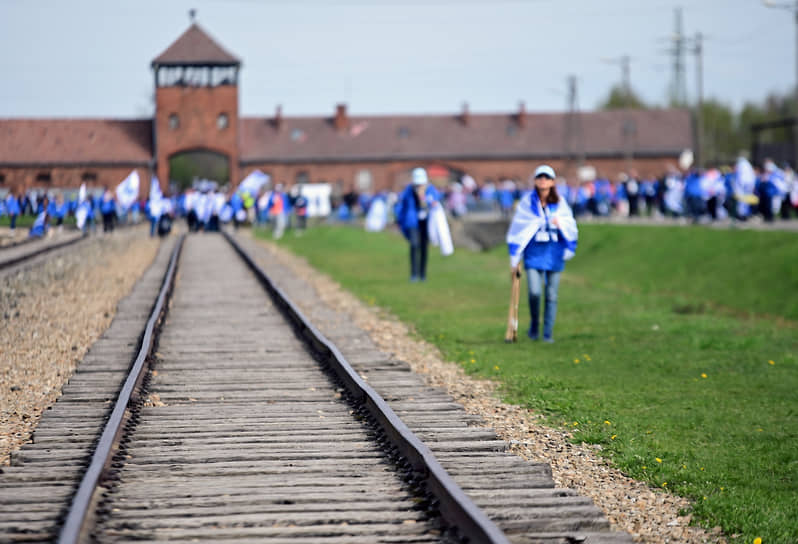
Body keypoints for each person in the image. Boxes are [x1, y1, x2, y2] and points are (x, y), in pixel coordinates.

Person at [506, 165, 578, 343]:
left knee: (552, 294)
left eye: (547, 177)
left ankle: (547, 333)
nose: (543, 180)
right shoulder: (527, 203)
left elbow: (570, 224)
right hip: (534, 253)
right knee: (535, 292)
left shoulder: (560, 203)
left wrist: (559, 222)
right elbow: (519, 227)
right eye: (540, 177)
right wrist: (515, 258)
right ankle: (534, 325)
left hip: (554, 252)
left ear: (553, 181)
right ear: (535, 180)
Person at [396, 167, 441, 282]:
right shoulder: (408, 190)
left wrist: (426, 199)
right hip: (413, 222)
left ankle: (423, 274)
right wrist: (399, 219)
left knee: (424, 248)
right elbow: (402, 205)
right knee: (414, 245)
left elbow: (435, 201)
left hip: (426, 222)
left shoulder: (430, 189)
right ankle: (414, 274)